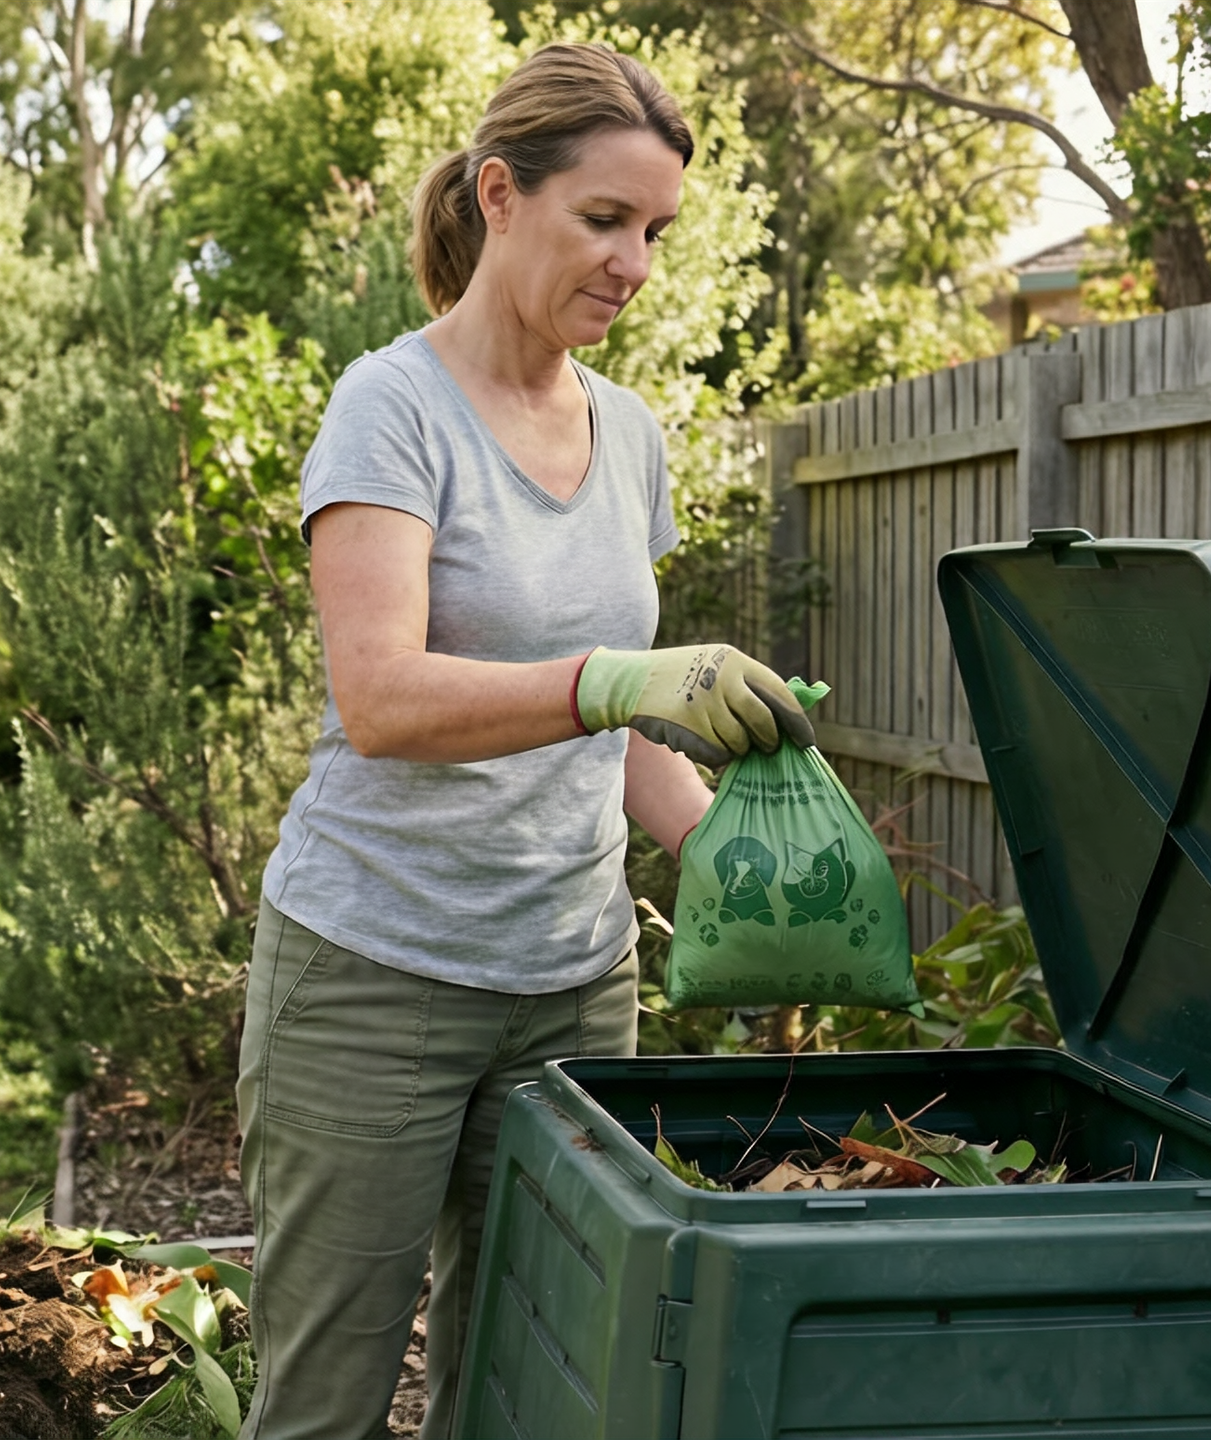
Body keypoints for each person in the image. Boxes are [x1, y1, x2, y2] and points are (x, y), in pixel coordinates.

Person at [235, 42, 813, 1440]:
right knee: (325, 1405)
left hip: (570, 990)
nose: (635, 263)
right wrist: (614, 679)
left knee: (535, 1388)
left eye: (658, 231)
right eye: (604, 220)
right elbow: (381, 701)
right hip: (377, 972)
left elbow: (616, 735)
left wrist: (743, 855)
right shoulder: (395, 407)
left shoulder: (631, 437)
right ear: (501, 194)